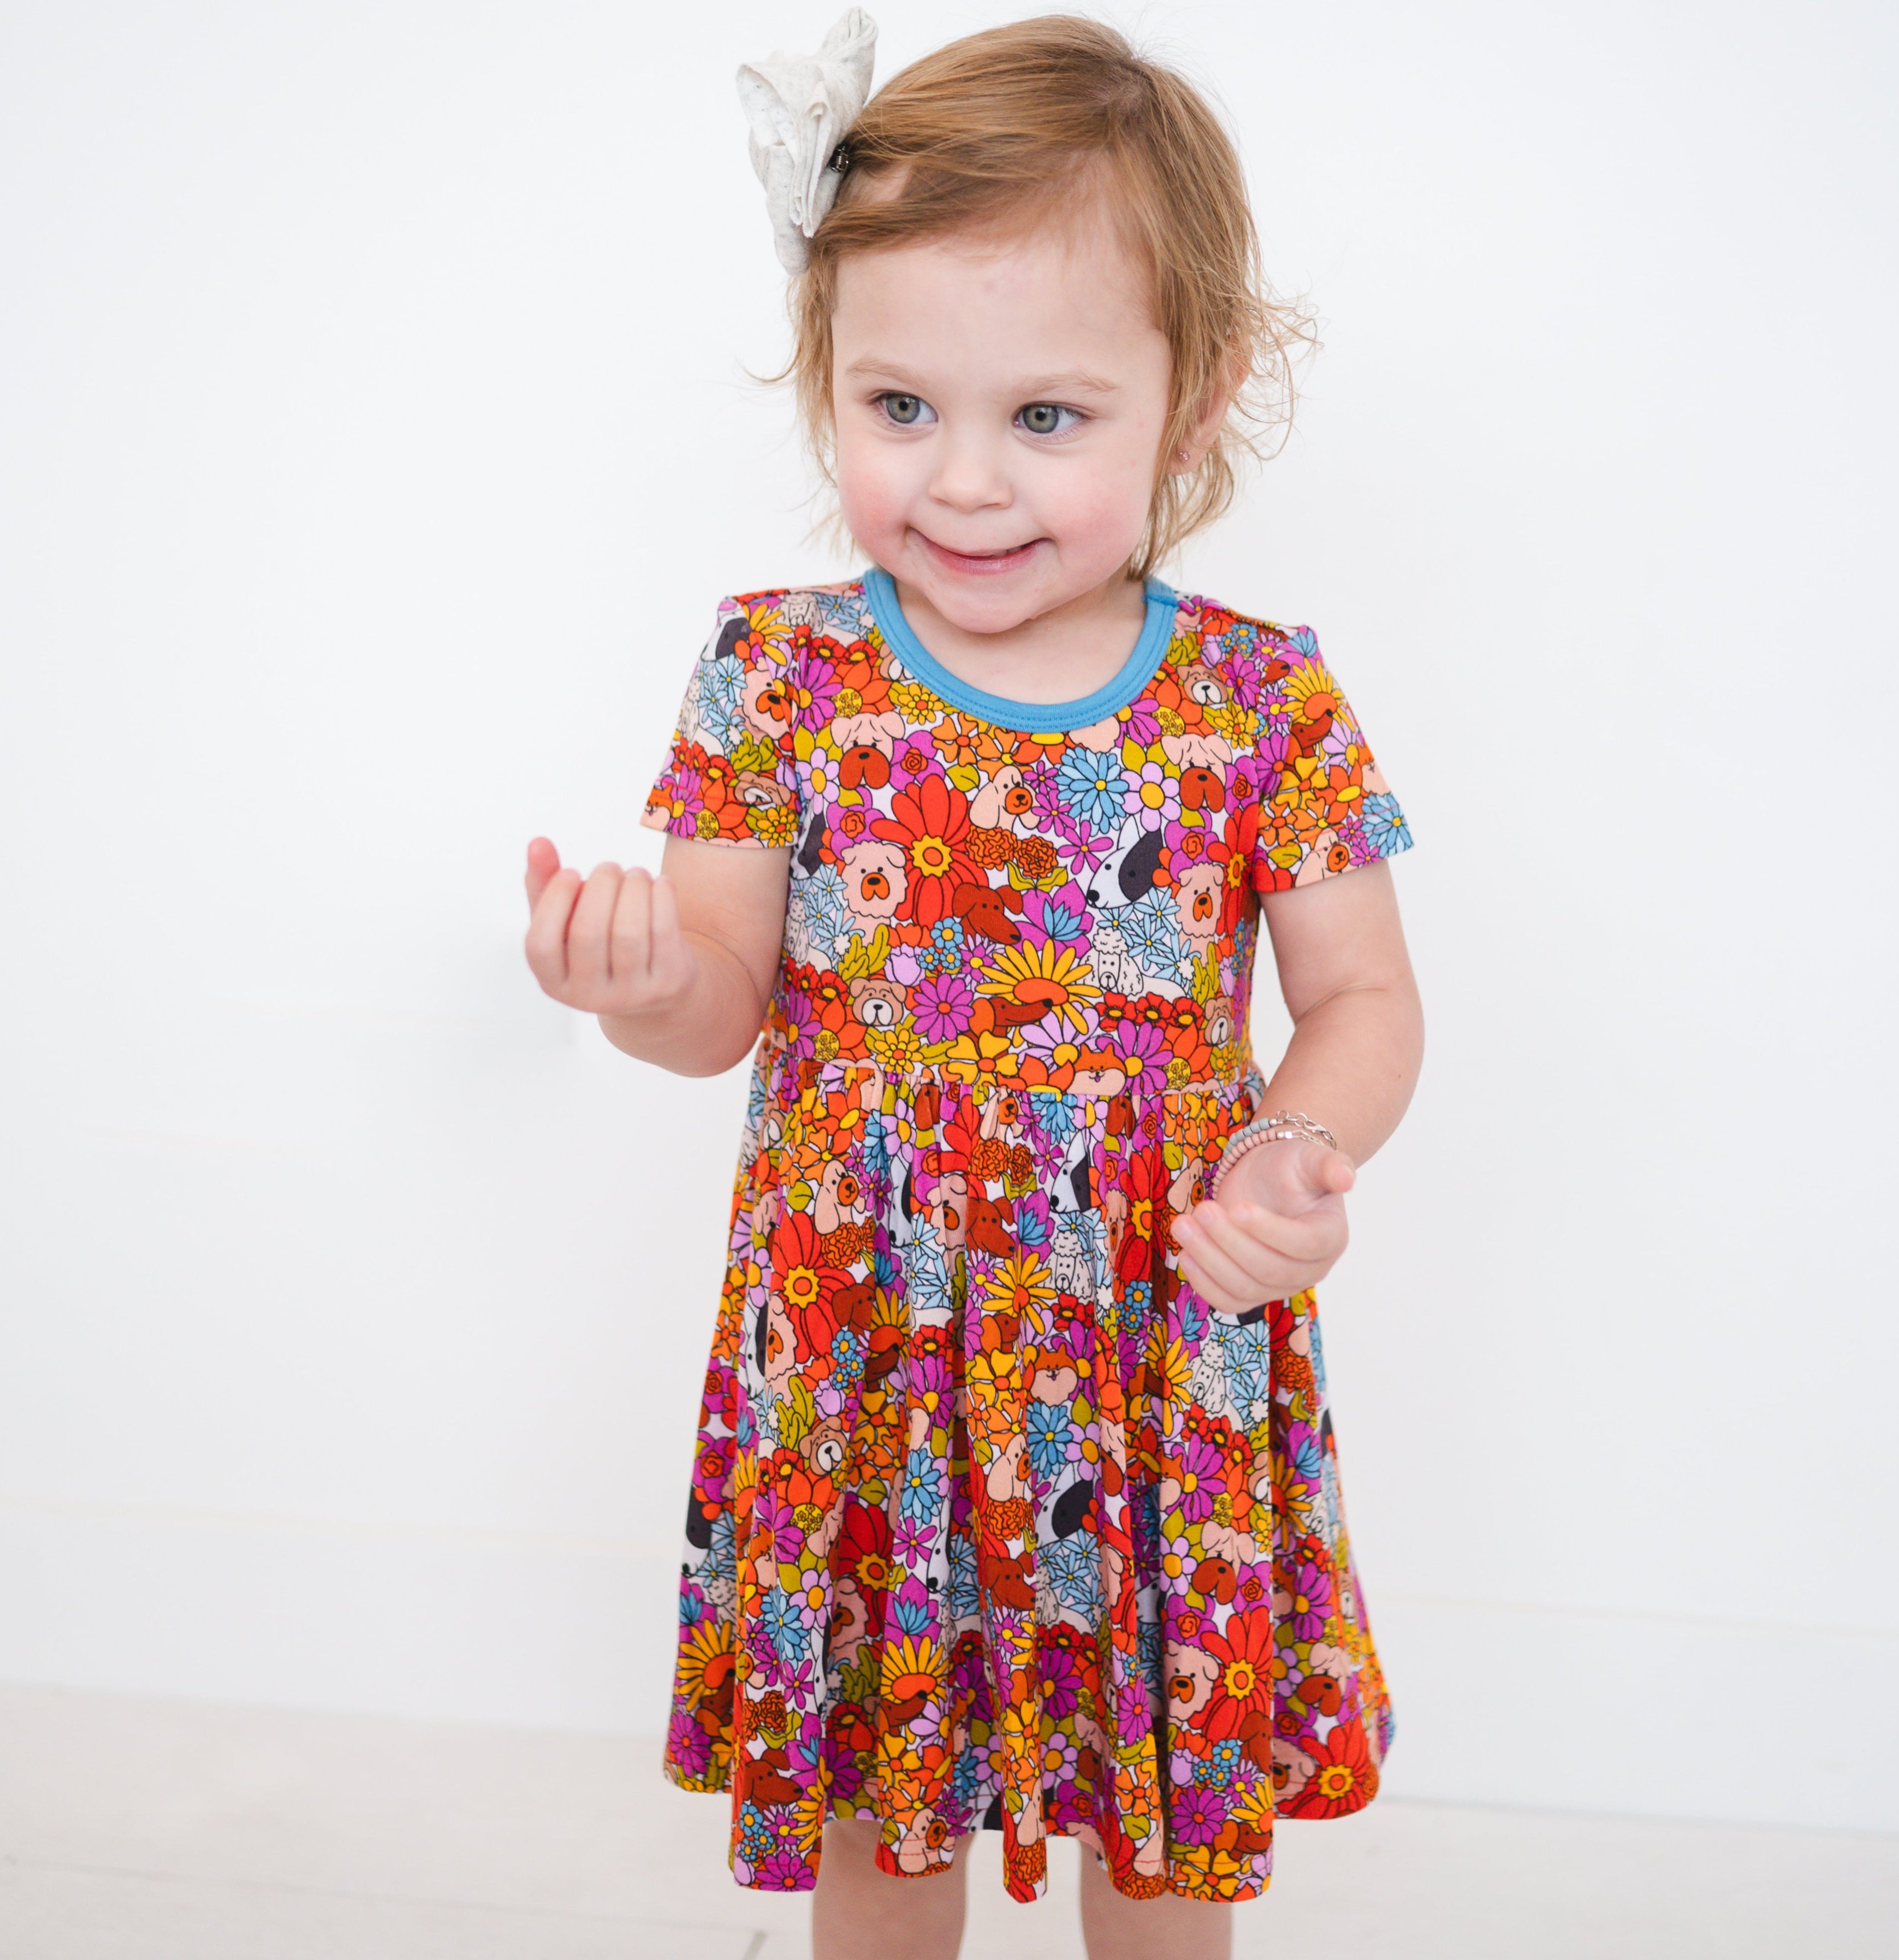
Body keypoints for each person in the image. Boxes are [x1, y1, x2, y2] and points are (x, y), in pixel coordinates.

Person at [523, 14, 1423, 1957]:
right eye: (901, 406)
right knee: (888, 1801)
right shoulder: (780, 679)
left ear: (1196, 402)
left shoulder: (1257, 699)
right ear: (825, 380)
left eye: (1049, 417)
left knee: (1165, 1817)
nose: (966, 483)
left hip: (1155, 1328)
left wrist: (1296, 1153)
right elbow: (721, 1002)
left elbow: (1362, 997)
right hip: (873, 1350)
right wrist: (634, 980)